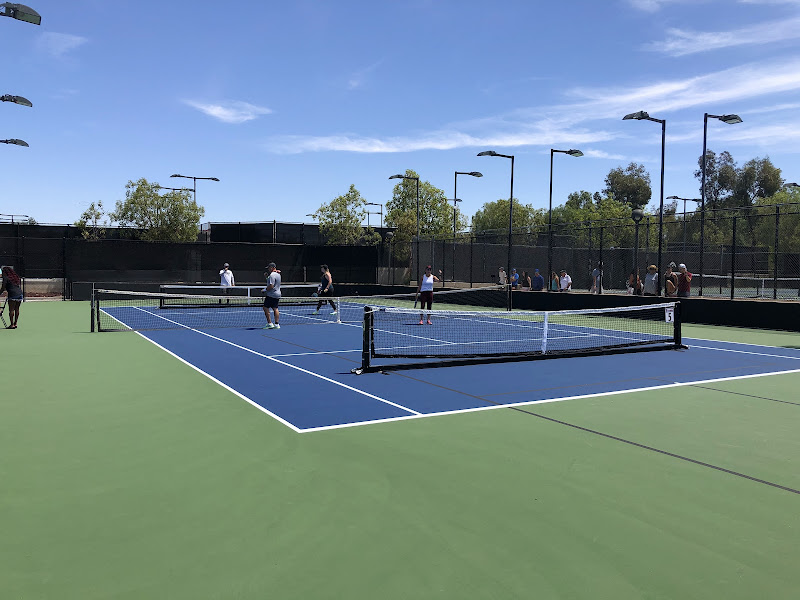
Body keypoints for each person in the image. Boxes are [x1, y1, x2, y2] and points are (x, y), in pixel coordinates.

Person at [262, 262, 281, 329]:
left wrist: (265, 290)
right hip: (277, 294)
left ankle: (270, 323)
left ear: (272, 268)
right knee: (275, 308)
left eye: (269, 268)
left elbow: (271, 285)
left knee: (265, 307)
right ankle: (276, 324)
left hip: (271, 294)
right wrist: (267, 277)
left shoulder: (272, 275)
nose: (268, 269)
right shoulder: (278, 274)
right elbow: (272, 282)